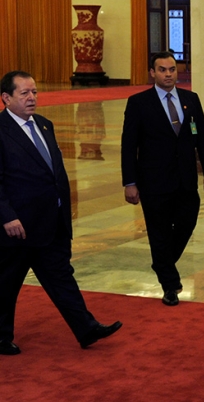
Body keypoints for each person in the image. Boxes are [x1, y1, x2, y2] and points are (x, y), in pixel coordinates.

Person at [0, 70, 122, 354]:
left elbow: (53, 173)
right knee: (5, 284)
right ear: (6, 98)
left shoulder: (44, 125)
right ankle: (1, 337)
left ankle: (86, 328)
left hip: (49, 222)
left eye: (35, 92)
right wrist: (6, 215)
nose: (32, 98)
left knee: (61, 277)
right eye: (24, 93)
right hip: (16, 226)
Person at [121, 51, 204, 306]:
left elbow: (202, 138)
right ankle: (170, 285)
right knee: (159, 233)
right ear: (152, 73)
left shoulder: (190, 99)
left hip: (185, 180)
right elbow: (128, 146)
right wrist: (129, 182)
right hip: (153, 182)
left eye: (172, 69)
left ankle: (161, 262)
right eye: (162, 70)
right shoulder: (139, 103)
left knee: (187, 224)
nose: (168, 74)